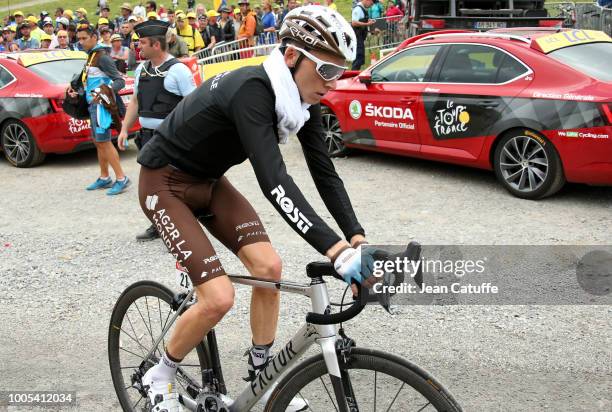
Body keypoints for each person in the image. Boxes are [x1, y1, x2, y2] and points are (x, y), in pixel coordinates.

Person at [136, 5, 372, 411]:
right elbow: (274, 180)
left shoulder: (299, 101)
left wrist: (356, 237)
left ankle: (261, 375)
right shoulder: (252, 90)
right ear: (293, 56)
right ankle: (159, 373)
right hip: (164, 183)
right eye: (327, 71)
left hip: (209, 182)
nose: (332, 84)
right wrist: (334, 251)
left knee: (269, 269)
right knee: (218, 298)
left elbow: (324, 173)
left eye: (341, 73)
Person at [118, 20, 196, 243]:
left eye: (142, 43)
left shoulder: (179, 71)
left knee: (173, 185)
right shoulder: (142, 69)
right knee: (152, 186)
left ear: (156, 45)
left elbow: (194, 105)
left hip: (172, 139)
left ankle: (180, 227)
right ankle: (160, 224)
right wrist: (124, 129)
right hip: (148, 138)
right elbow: (135, 102)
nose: (138, 47)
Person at [67, 24, 130, 196]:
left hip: (101, 107)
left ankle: (121, 178)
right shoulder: (91, 55)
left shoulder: (102, 56)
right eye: (78, 39)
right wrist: (77, 92)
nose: (80, 42)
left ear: (94, 37)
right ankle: (104, 177)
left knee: (103, 141)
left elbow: (120, 80)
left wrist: (103, 94)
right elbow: (89, 81)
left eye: (84, 38)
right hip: (93, 106)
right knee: (98, 141)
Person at [351, 0, 375, 70]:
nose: (371, 6)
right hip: (357, 36)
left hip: (361, 36)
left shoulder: (364, 9)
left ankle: (355, 74)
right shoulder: (358, 9)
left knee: (360, 58)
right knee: (359, 57)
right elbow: (354, 23)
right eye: (371, 3)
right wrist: (367, 24)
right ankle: (353, 76)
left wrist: (369, 23)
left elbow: (362, 21)